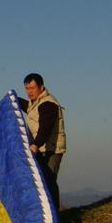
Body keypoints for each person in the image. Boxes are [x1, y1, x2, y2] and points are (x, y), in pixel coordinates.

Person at [22, 73, 66, 211]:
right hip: (41, 149)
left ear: (41, 87)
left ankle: (54, 215)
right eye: (27, 89)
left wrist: (35, 144)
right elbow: (28, 107)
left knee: (49, 182)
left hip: (51, 149)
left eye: (32, 88)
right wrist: (12, 99)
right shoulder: (35, 103)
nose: (29, 92)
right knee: (42, 182)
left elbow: (45, 128)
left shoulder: (48, 104)